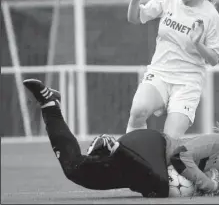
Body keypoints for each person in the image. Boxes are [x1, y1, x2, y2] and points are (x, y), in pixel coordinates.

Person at [126, 0, 219, 138]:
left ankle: (167, 166)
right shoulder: (169, 0)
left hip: (187, 82)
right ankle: (131, 159)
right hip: (160, 73)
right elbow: (134, 18)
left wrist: (197, 43)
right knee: (138, 112)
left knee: (169, 140)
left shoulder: (210, 15)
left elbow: (214, 59)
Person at [22, 78, 170, 198]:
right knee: (159, 186)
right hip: (146, 153)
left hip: (143, 153)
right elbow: (162, 185)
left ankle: (50, 104)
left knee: (76, 167)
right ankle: (111, 150)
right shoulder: (177, 160)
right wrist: (119, 151)